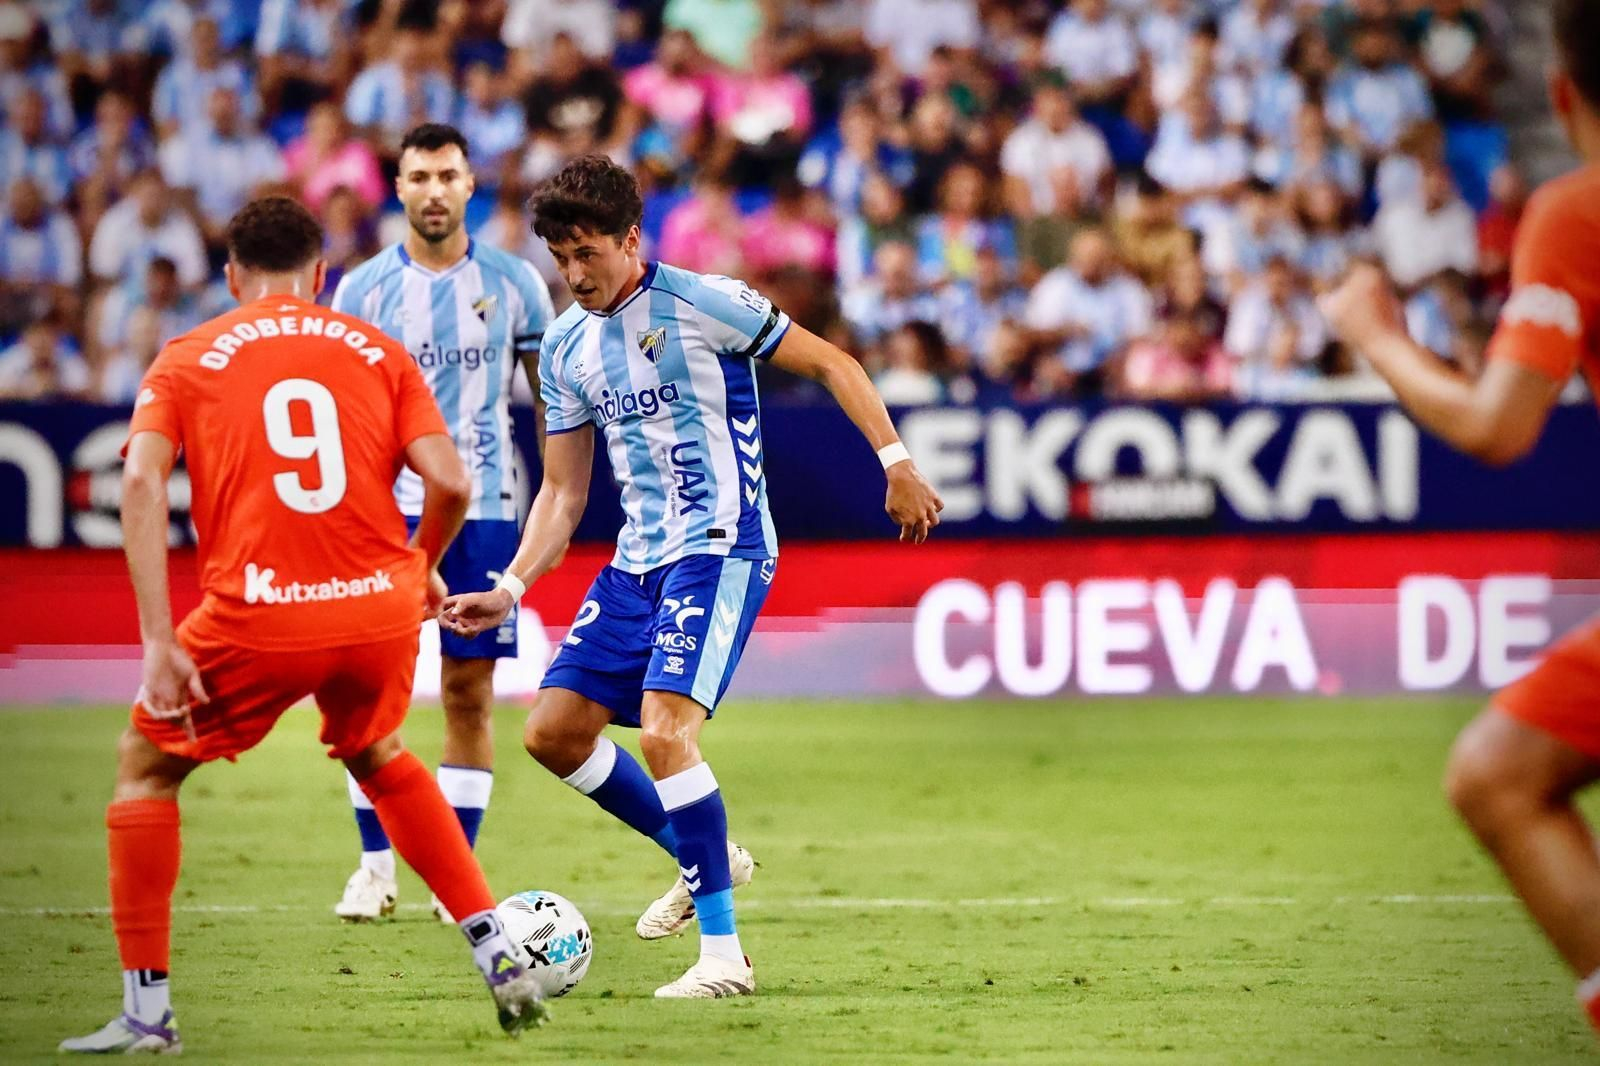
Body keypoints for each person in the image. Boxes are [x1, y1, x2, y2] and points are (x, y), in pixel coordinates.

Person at [438, 155, 944, 999]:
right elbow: (563, 494)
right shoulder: (564, 346)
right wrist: (514, 585)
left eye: (587, 253)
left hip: (724, 544)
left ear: (630, 238)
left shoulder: (706, 301)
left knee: (668, 733)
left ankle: (722, 959)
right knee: (552, 733)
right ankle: (701, 853)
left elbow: (835, 365)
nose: (574, 273)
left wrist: (894, 462)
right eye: (560, 258)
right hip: (638, 561)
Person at [57, 196, 547, 1054]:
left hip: (258, 612)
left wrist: (158, 641)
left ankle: (146, 1015)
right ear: (321, 276)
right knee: (382, 753)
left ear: (231, 275)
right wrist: (419, 562)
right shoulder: (377, 349)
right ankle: (497, 948)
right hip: (374, 608)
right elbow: (454, 482)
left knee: (144, 766)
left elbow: (137, 485)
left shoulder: (187, 355)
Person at [1318, 0, 1600, 1036]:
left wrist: (1376, 335)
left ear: (1560, 92)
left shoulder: (1574, 212)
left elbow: (1495, 427)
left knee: (1497, 774)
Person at [329, 123, 555, 924]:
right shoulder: (358, 293)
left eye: (447, 175)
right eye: (418, 176)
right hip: (383, 516)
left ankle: (445, 871)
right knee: (365, 696)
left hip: (487, 506)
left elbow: (550, 408)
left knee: (468, 693)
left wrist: (555, 499)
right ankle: (374, 868)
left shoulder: (519, 284)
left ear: (470, 186)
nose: (432, 190)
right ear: (398, 187)